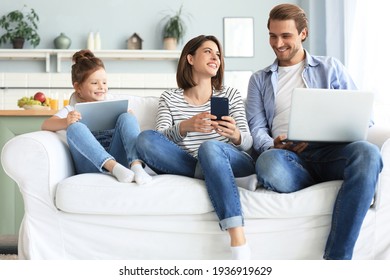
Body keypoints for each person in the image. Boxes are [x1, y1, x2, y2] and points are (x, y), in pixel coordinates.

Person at [246, 3, 383, 260]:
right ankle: (313, 180)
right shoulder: (259, 79)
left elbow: (364, 118)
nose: (278, 43)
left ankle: (336, 260)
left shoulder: (331, 67)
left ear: (303, 34)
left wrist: (334, 132)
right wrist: (272, 145)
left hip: (331, 152)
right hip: (286, 157)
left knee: (368, 153)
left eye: (286, 35)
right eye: (273, 36)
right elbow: (256, 127)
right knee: (267, 163)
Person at [136, 35, 255, 259]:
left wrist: (236, 135)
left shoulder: (230, 95)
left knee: (210, 148)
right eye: (208, 51)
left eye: (218, 54)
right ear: (190, 58)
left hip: (232, 160)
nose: (215, 57)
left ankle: (238, 240)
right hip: (190, 163)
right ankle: (211, 175)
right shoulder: (170, 98)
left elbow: (248, 145)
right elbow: (158, 139)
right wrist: (185, 127)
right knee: (144, 139)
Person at [42, 49, 152, 185]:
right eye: (94, 83)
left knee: (127, 117)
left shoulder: (113, 106)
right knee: (74, 127)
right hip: (90, 164)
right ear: (78, 87)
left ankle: (136, 167)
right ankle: (112, 167)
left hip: (122, 166)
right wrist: (66, 121)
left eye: (104, 83)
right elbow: (46, 124)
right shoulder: (72, 109)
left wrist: (131, 119)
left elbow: (129, 129)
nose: (101, 87)